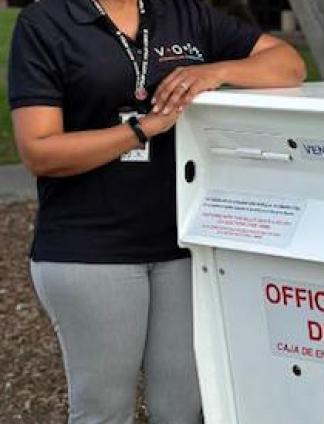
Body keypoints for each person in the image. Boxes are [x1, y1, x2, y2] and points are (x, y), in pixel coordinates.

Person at [8, 0, 306, 421]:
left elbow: (288, 64)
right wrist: (142, 129)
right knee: (104, 411)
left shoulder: (184, 14)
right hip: (91, 250)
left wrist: (214, 72)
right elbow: (40, 151)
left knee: (183, 410)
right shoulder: (48, 21)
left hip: (182, 246)